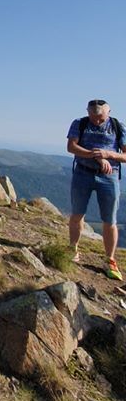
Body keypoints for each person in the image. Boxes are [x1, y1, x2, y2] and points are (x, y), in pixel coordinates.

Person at [68, 99, 126, 279]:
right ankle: (73, 249)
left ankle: (110, 259)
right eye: (92, 117)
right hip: (83, 173)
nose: (96, 121)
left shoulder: (117, 126)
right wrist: (97, 156)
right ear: (88, 112)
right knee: (77, 214)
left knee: (110, 220)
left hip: (109, 177)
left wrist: (108, 154)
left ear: (108, 112)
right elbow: (71, 147)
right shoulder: (80, 123)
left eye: (100, 117)